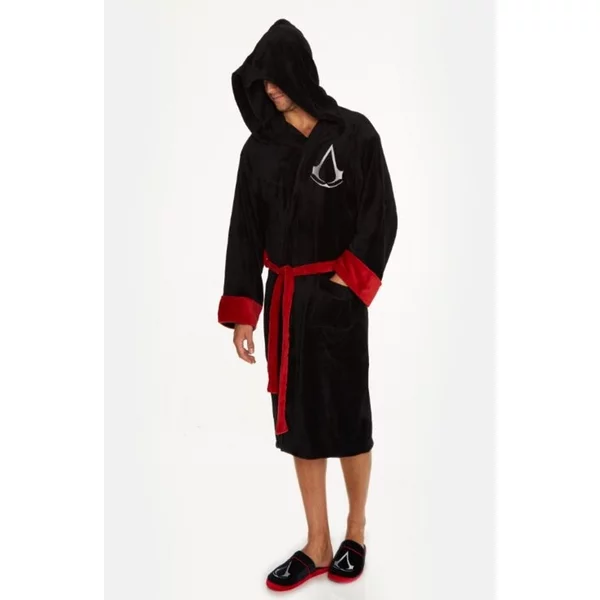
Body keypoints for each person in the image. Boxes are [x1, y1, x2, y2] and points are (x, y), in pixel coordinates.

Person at [217, 18, 398, 591]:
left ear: (300, 70)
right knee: (300, 426)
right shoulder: (259, 151)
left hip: (337, 302)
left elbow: (380, 213)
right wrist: (244, 311)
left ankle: (355, 532)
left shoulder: (354, 134)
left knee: (348, 418)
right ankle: (317, 542)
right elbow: (245, 231)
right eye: (261, 82)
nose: (270, 89)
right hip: (287, 303)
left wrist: (348, 280)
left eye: (276, 77)